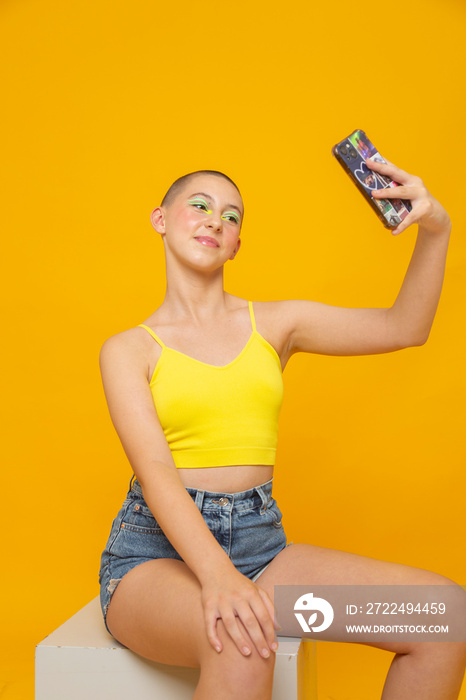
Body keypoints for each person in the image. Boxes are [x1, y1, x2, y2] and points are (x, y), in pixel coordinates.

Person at [98, 159, 466, 700]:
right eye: (199, 205)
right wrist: (220, 577)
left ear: (237, 245)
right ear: (160, 219)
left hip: (262, 547)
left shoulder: (274, 325)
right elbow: (155, 474)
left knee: (441, 617)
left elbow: (405, 327)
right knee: (243, 641)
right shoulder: (127, 349)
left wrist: (437, 229)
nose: (214, 221)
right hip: (153, 558)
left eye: (230, 216)